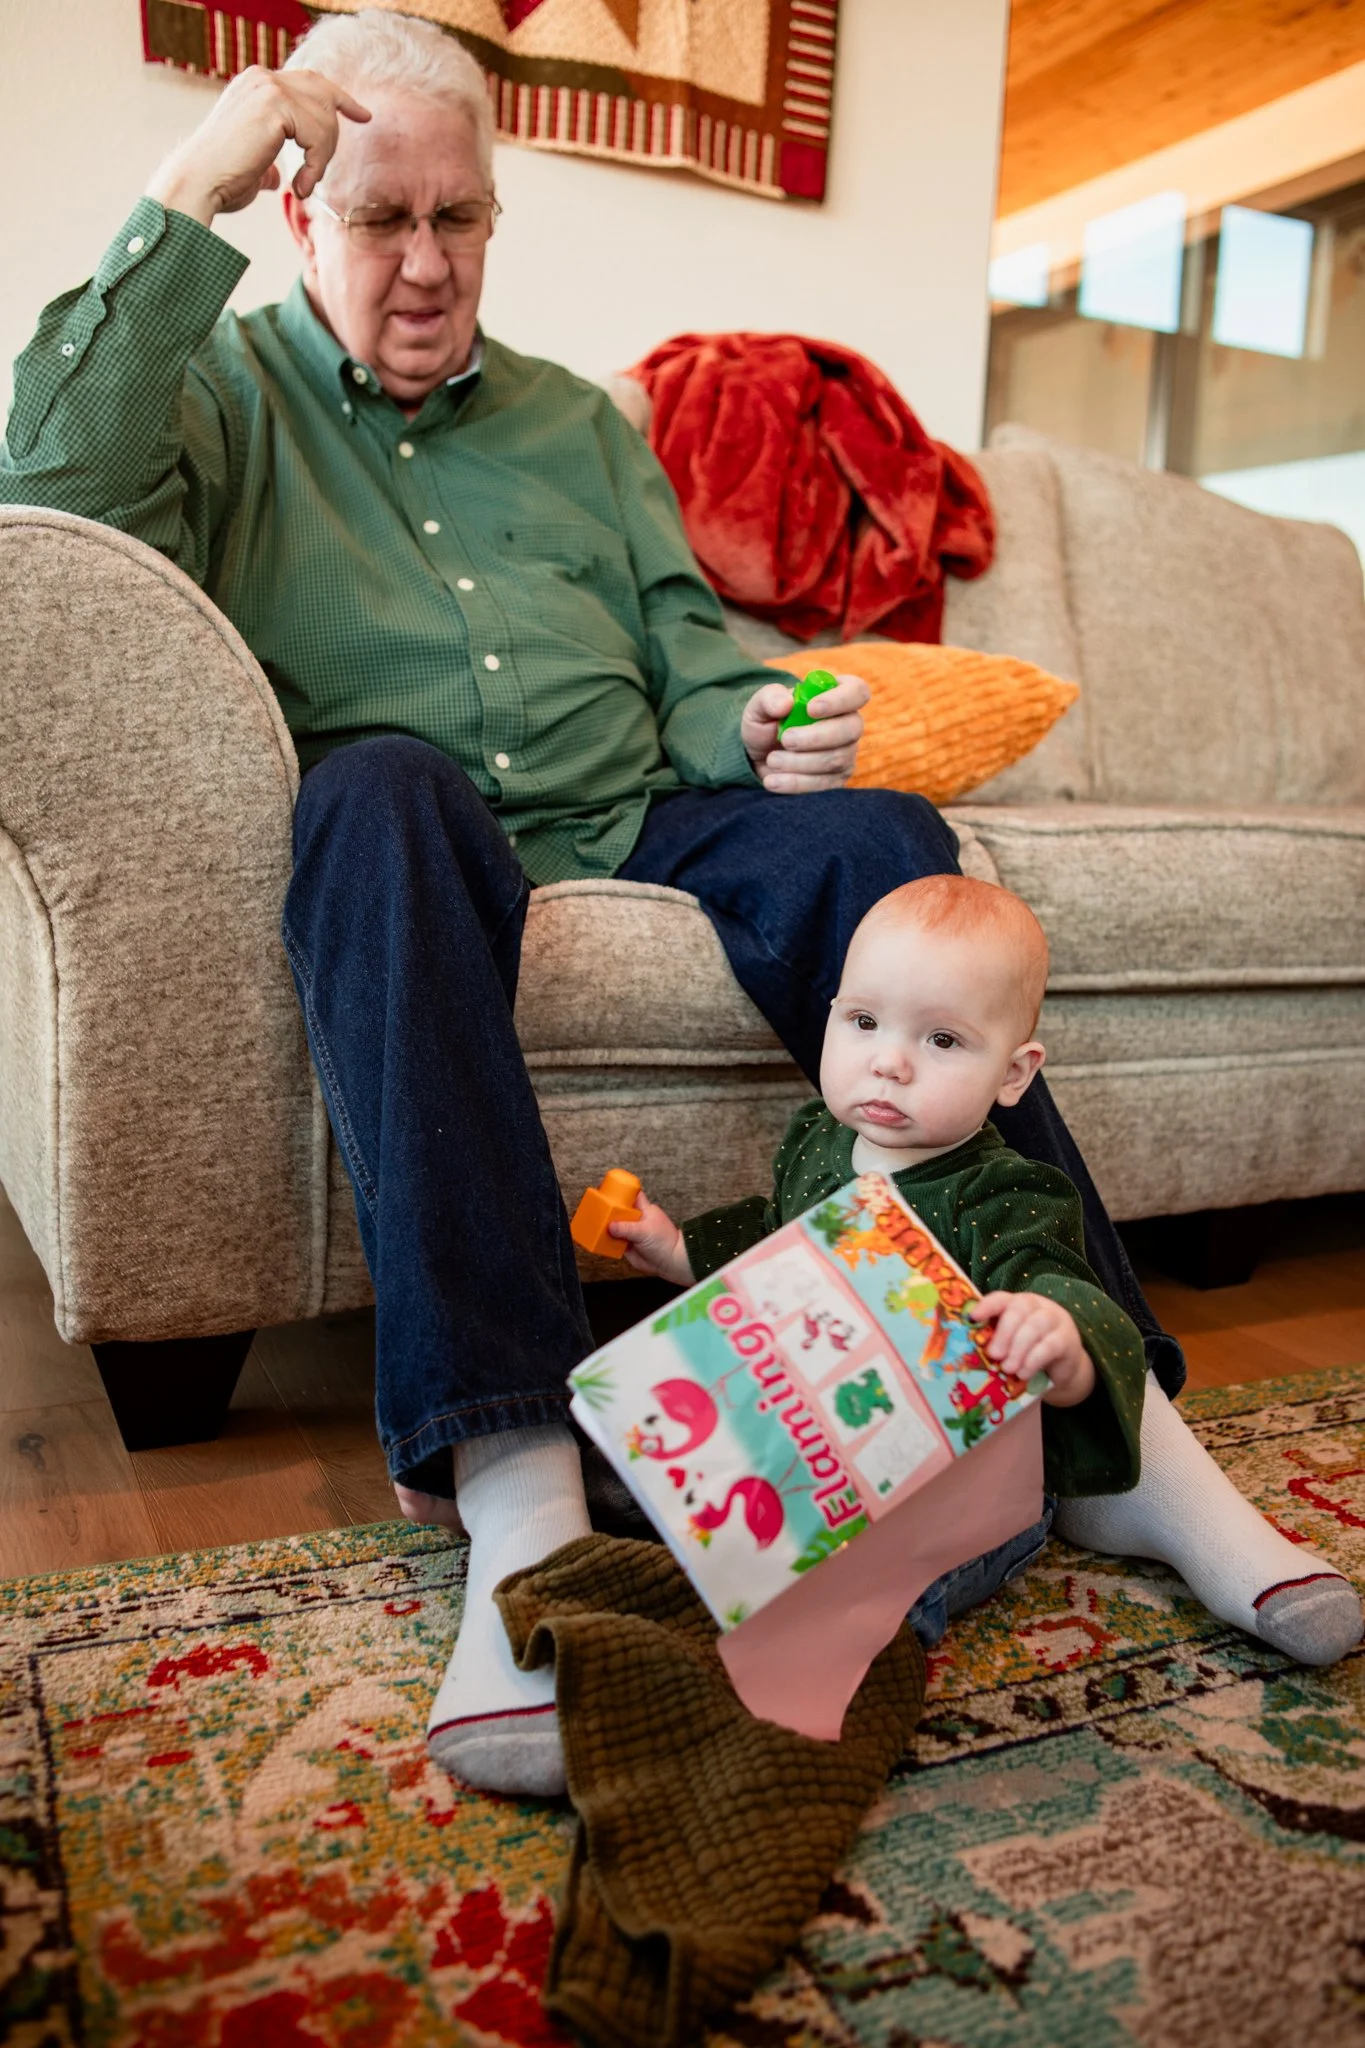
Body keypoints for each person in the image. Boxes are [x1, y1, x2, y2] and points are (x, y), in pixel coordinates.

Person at [2, 8, 1187, 1798]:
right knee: (376, 784)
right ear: (302, 212)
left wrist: (769, 726)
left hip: (635, 814)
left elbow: (691, 660)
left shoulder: (578, 421)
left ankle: (1111, 1403)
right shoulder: (215, 397)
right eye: (380, 218)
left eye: (457, 219)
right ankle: (513, 1479)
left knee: (880, 833)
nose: (423, 263)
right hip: (406, 839)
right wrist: (188, 191)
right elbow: (45, 505)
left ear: (493, 217)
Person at [613, 877, 1363, 1670]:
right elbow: (768, 1239)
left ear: (1012, 1074)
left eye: (941, 1040)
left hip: (958, 1490)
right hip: (825, 1443)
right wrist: (675, 1251)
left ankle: (856, 1635)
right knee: (671, 1458)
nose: (888, 1064)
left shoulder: (1002, 1192)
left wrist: (1060, 1343)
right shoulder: (815, 1141)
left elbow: (1055, 1282)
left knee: (891, 1575)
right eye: (864, 1023)